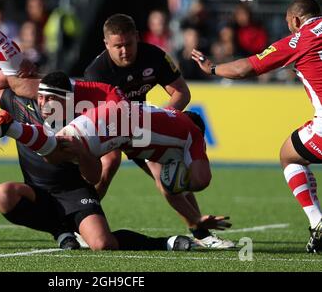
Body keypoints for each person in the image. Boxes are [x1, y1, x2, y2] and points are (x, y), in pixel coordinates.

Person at [0, 1, 197, 252]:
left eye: (53, 100)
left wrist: (82, 153)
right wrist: (19, 68)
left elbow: (94, 176)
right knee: (3, 194)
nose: (46, 103)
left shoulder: (83, 123)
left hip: (73, 191)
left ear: (69, 103)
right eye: (42, 97)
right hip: (38, 191)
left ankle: (168, 241)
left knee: (103, 244)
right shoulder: (23, 104)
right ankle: (60, 230)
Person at [83, 13, 234, 248]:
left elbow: (181, 93)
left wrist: (162, 120)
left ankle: (201, 233)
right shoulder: (97, 73)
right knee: (107, 167)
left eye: (128, 44)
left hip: (140, 123)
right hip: (108, 126)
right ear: (106, 45)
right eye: (117, 46)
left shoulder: (155, 56)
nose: (124, 51)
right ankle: (80, 224)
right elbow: (99, 119)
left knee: (168, 172)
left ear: (137, 37)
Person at [191, 0, 322, 253]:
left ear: (295, 20)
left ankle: (317, 221)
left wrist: (213, 68)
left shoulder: (299, 40)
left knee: (289, 157)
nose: (288, 27)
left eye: (288, 23)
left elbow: (246, 68)